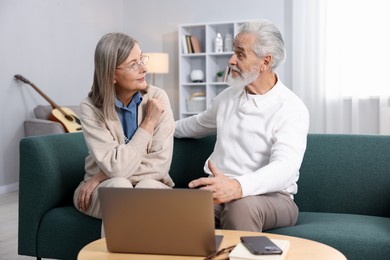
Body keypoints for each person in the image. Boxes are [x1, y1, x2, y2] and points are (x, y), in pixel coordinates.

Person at [175, 20, 309, 232]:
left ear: (265, 62)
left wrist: (239, 187)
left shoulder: (291, 108)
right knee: (183, 208)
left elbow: (285, 168)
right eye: (233, 53)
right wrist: (158, 126)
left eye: (240, 54)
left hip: (272, 197)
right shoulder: (227, 97)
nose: (231, 60)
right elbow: (197, 124)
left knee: (240, 207)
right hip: (219, 191)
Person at [74, 32, 175, 219]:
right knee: (119, 187)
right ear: (111, 74)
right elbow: (117, 171)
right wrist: (148, 123)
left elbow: (159, 165)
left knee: (145, 187)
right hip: (103, 190)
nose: (144, 68)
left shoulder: (158, 98)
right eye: (133, 64)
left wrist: (102, 175)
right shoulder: (90, 108)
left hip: (150, 183)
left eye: (141, 59)